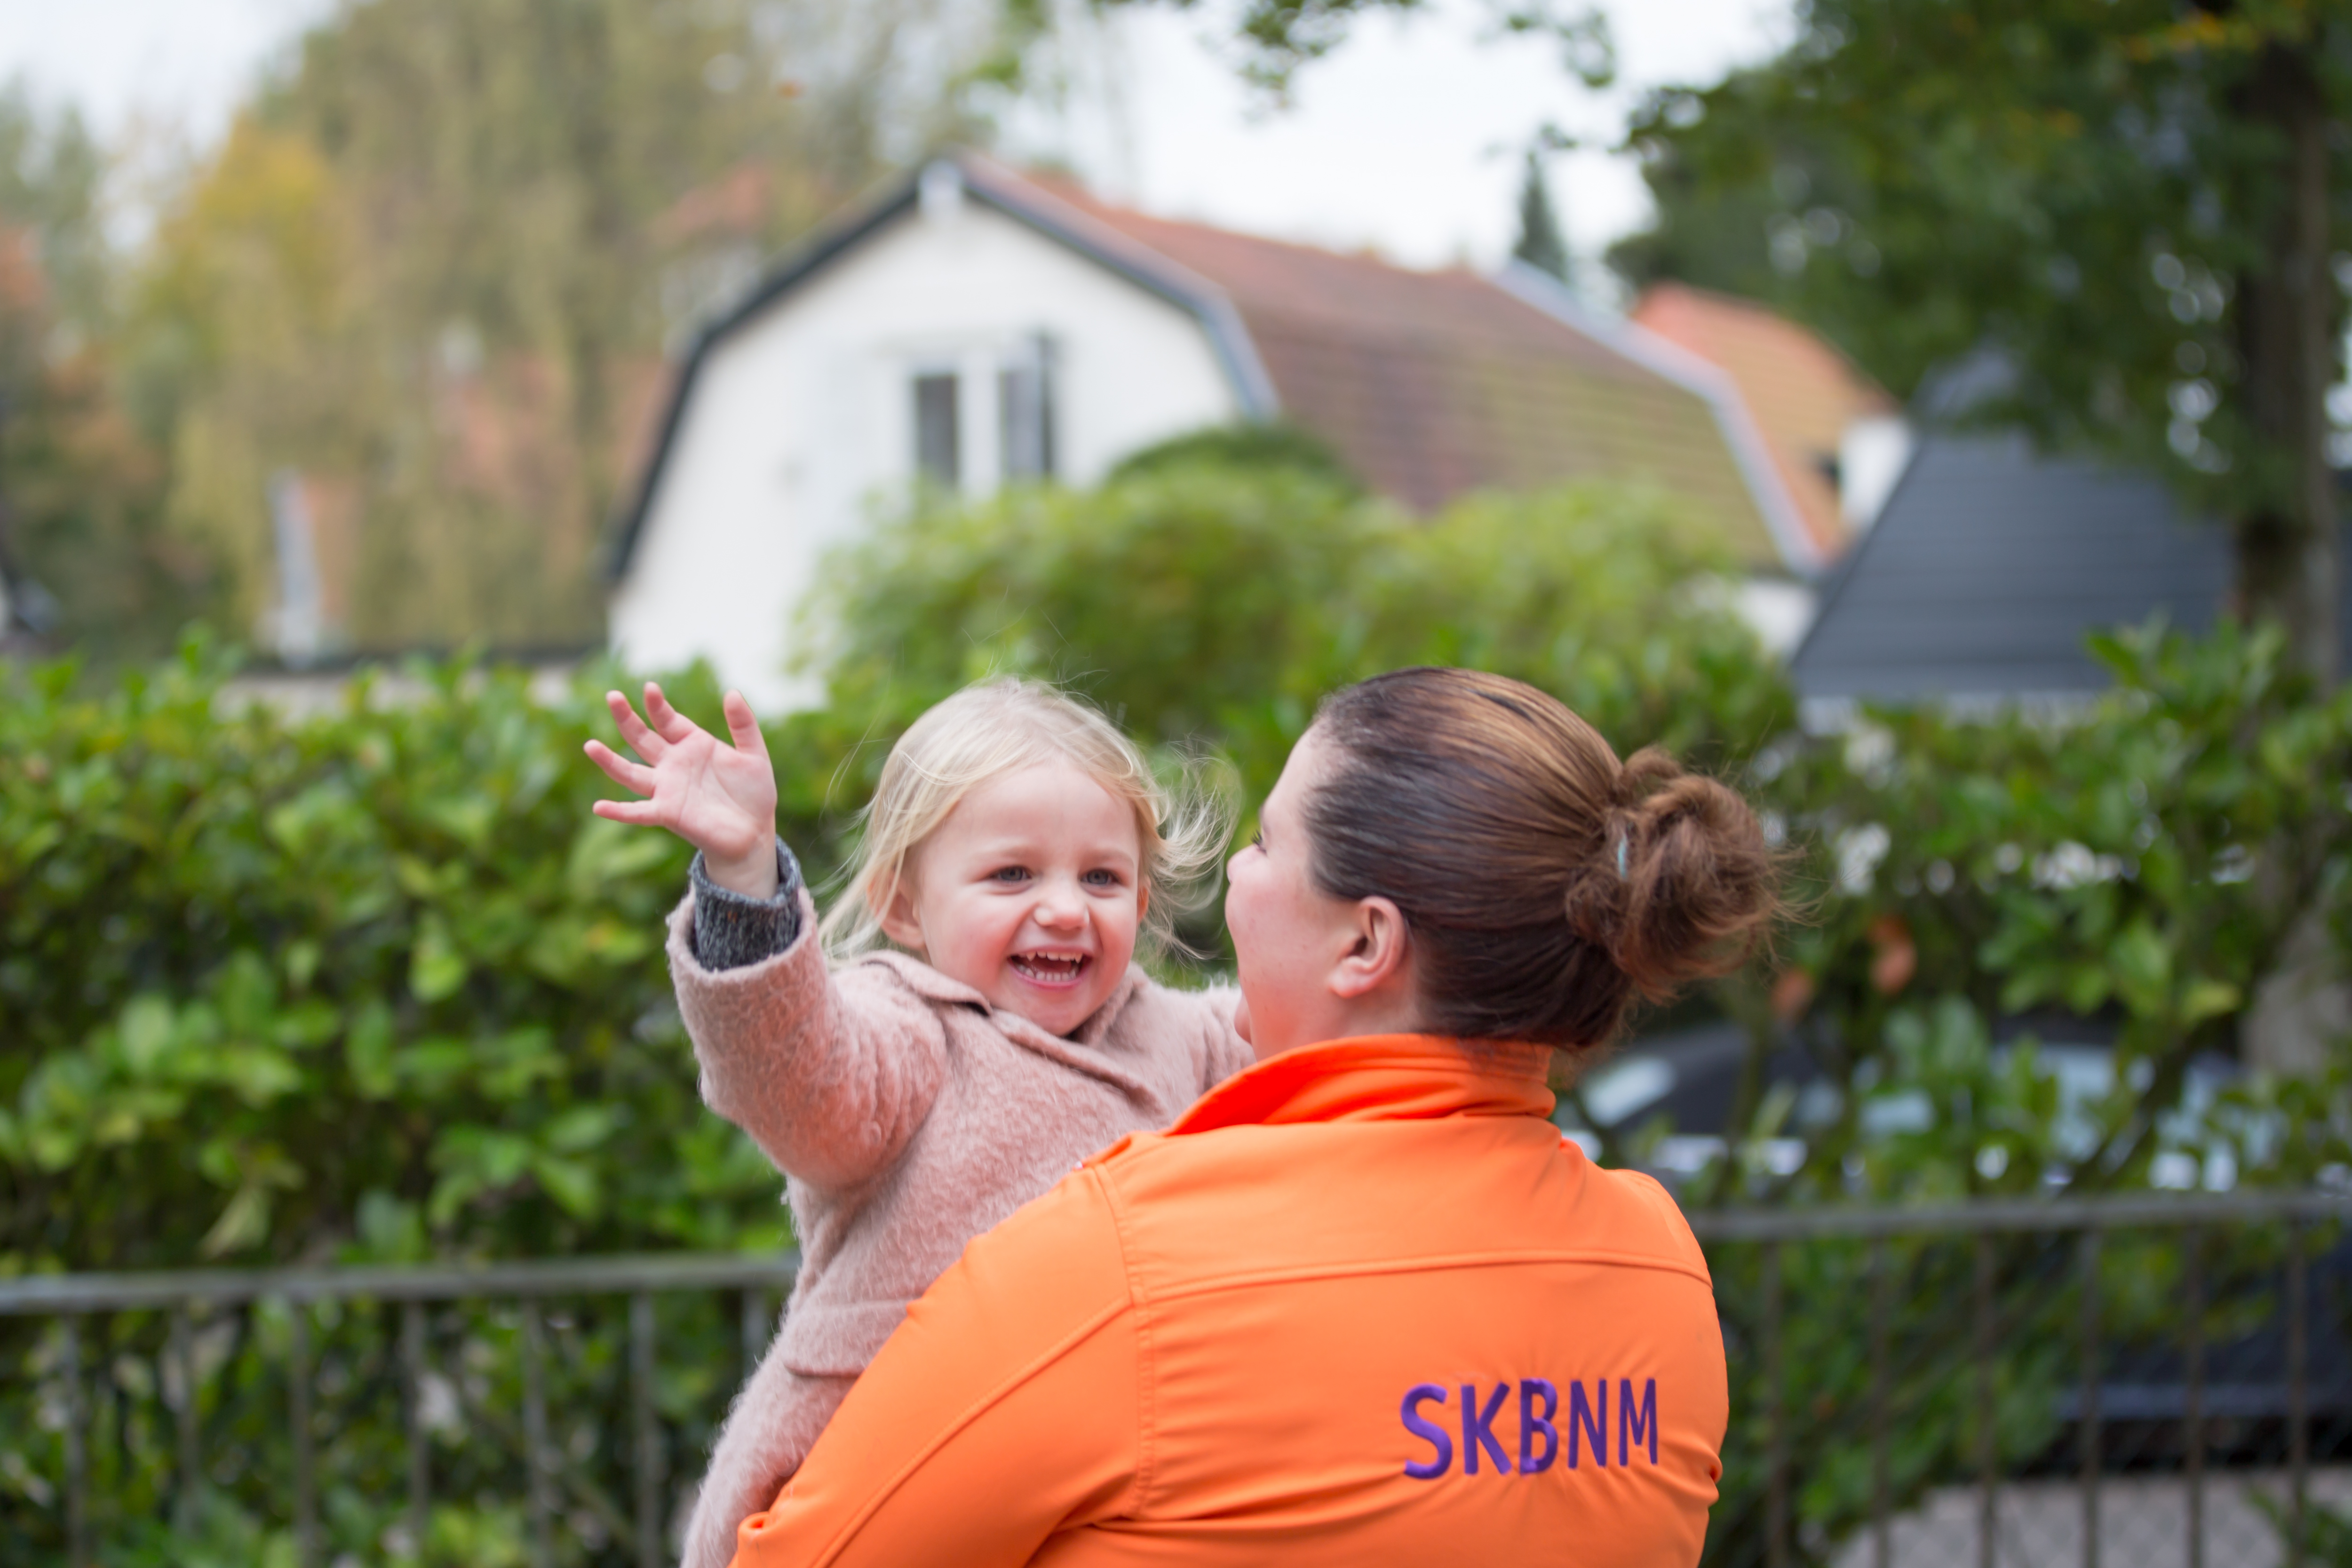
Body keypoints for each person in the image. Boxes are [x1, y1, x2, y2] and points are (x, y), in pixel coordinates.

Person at [728, 666, 1778, 1568]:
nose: (1229, 874)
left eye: (1266, 846)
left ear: (1365, 944)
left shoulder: (1117, 1264)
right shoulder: (1659, 1268)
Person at [583, 677, 1253, 1568]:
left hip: (1099, 1491)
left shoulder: (1182, 1038)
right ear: (904, 906)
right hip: (878, 1482)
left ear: (1139, 904)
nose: (1064, 906)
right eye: (1012, 873)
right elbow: (797, 1081)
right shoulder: (906, 1027)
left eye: (1101, 876)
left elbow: (1323, 1038)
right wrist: (745, 878)